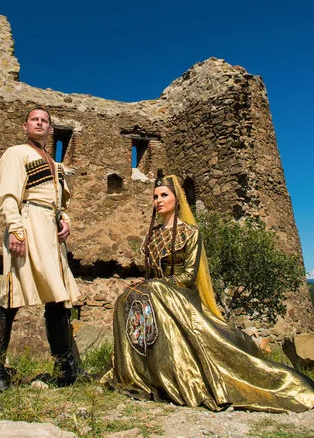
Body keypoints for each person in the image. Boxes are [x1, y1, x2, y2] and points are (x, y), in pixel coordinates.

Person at [104, 173, 314, 412]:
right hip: (156, 292)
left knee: (154, 289)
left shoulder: (190, 233)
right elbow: (150, 274)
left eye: (164, 195)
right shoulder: (151, 235)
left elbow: (188, 276)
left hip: (181, 294)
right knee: (124, 298)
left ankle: (180, 374)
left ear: (177, 199)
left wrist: (158, 283)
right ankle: (141, 372)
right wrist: (145, 283)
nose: (159, 201)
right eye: (155, 197)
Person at [0, 106, 80, 392]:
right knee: (11, 296)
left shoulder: (55, 164)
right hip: (27, 225)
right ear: (26, 125)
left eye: (45, 121)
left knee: (57, 297)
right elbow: (9, 194)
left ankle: (65, 369)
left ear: (50, 129)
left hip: (50, 230)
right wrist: (16, 228)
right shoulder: (17, 153)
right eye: (35, 120)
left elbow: (59, 203)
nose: (40, 124)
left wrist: (65, 221)